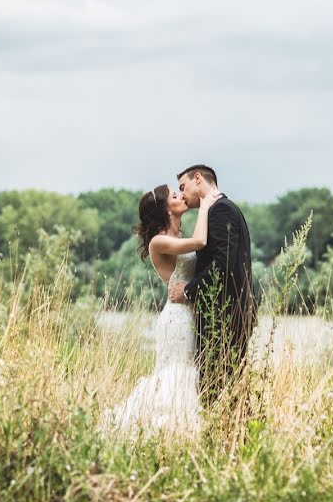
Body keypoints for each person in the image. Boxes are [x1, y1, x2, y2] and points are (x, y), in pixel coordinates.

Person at [102, 184, 222, 438]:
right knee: (177, 372)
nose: (181, 196)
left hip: (191, 312)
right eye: (174, 195)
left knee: (190, 372)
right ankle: (167, 432)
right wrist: (206, 204)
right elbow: (200, 242)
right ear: (165, 209)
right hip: (176, 319)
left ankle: (183, 431)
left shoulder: (177, 237)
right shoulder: (159, 241)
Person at [168, 164, 256, 404]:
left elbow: (222, 262)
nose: (182, 194)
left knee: (217, 387)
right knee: (226, 387)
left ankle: (227, 437)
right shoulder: (219, 210)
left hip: (224, 315)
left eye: (183, 187)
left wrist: (188, 290)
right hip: (228, 313)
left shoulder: (220, 211)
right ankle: (232, 436)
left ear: (198, 179)